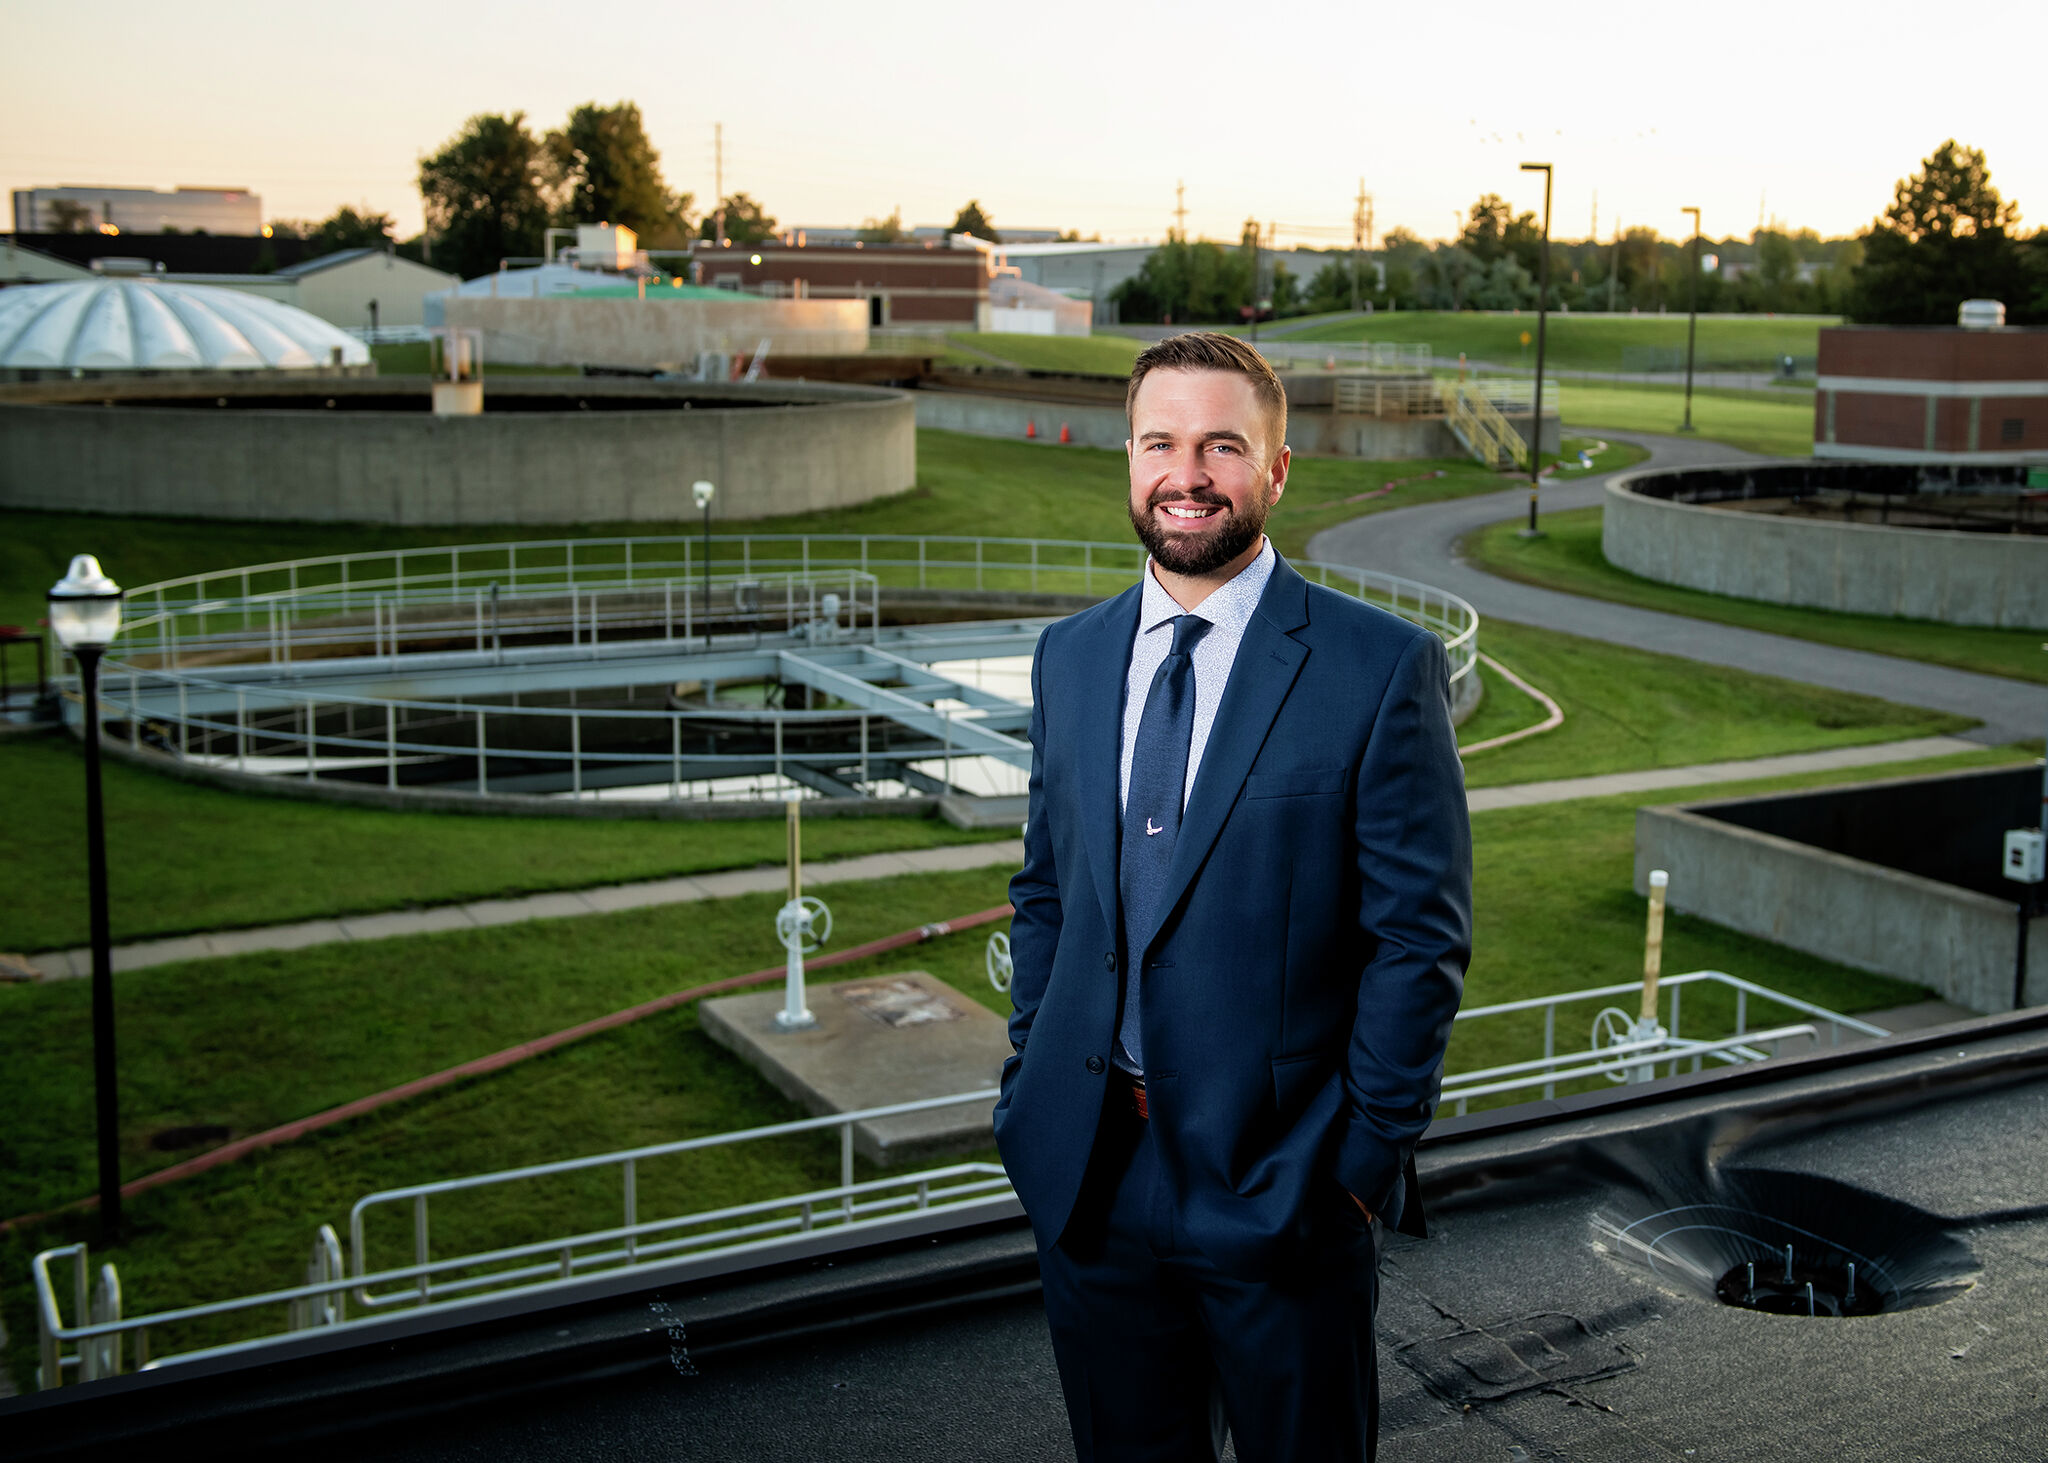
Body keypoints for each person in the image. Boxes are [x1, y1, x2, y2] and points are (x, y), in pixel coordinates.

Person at [993, 331, 1471, 1462]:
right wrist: (1028, 1083)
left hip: (1282, 1193)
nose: (1187, 472)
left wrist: (1357, 1166)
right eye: (1160, 441)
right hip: (1092, 1180)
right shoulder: (1068, 657)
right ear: (1127, 458)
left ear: (1276, 468)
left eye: (1221, 444)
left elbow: (1418, 939)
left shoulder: (1374, 668)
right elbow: (1045, 889)